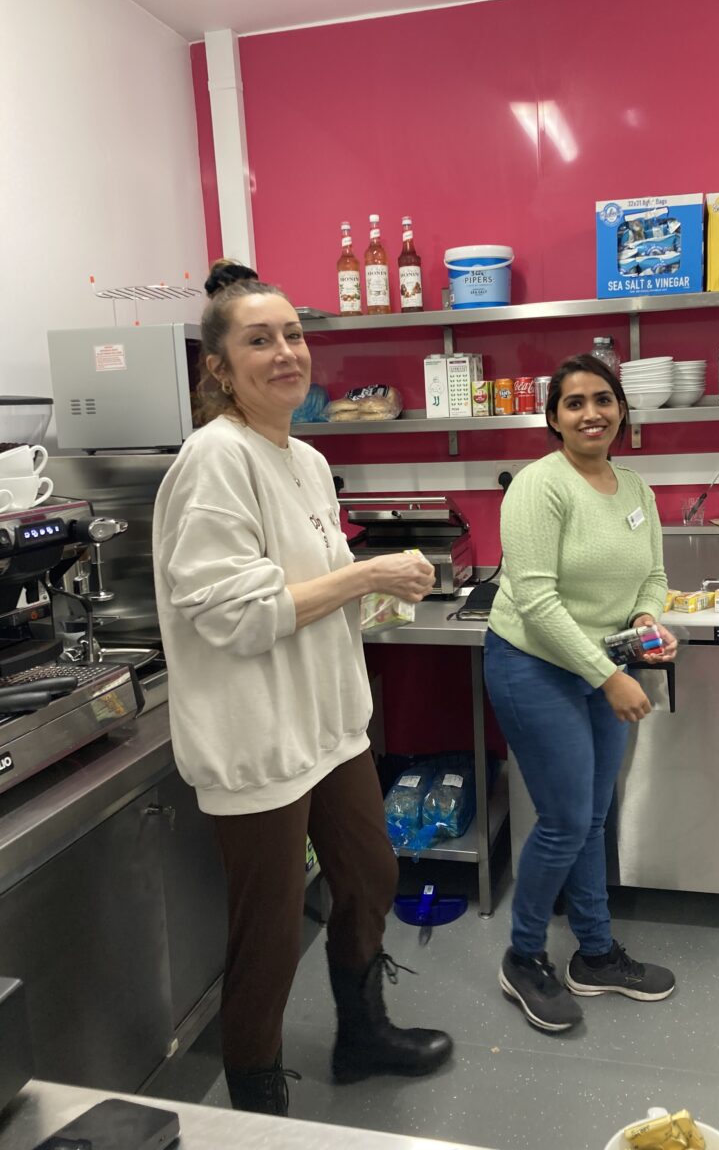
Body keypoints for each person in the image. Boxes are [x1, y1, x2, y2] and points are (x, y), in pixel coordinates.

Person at [152, 262, 453, 1116]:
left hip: (328, 730)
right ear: (218, 367)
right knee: (271, 936)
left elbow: (301, 587)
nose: (285, 352)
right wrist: (367, 578)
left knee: (370, 874)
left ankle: (362, 1034)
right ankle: (257, 1105)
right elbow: (234, 616)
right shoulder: (214, 461)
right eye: (258, 339)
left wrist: (368, 592)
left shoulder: (308, 458)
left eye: (292, 334)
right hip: (258, 743)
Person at [484, 352, 678, 1034]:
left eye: (603, 398)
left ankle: (594, 955)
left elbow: (652, 575)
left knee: (591, 819)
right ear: (554, 418)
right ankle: (523, 956)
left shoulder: (634, 490)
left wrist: (649, 623)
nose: (591, 412)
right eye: (574, 403)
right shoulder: (540, 487)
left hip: (601, 666)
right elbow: (535, 599)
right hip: (534, 665)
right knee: (566, 820)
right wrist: (610, 675)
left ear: (621, 408)